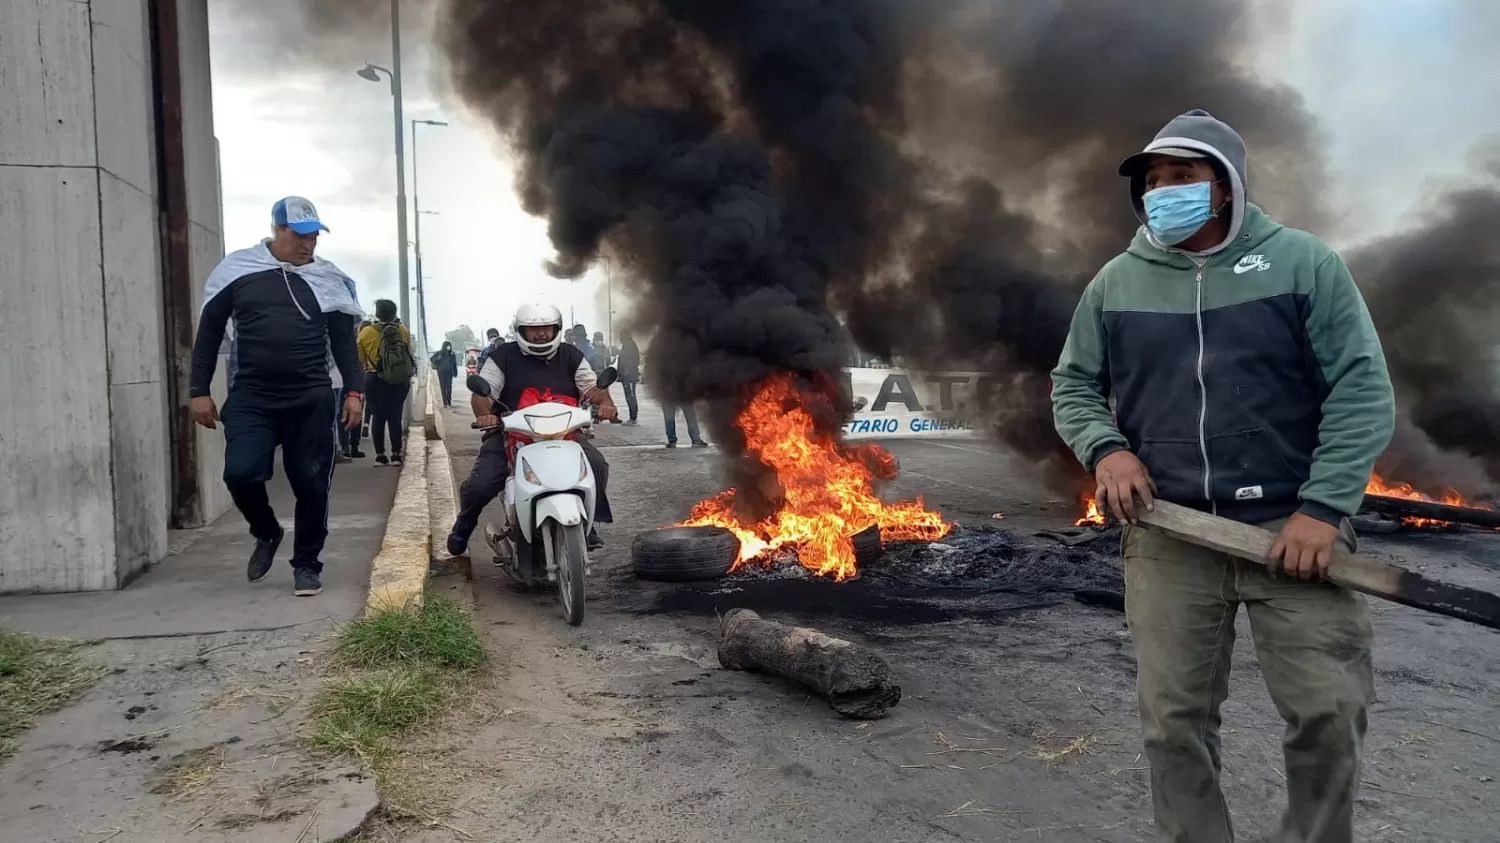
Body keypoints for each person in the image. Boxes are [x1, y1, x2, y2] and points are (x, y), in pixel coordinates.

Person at [1050, 109, 1395, 843]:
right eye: (1152, 180)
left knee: (1329, 710)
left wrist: (1325, 506)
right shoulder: (1116, 283)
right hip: (1170, 531)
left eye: (1183, 175)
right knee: (1173, 720)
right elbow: (1072, 384)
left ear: (1226, 186)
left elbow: (1361, 388)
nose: (1162, 191)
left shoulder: (1304, 265)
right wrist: (1106, 450)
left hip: (1290, 532)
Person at [189, 196, 364, 597]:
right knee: (239, 472)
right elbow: (210, 332)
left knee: (312, 483)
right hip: (253, 395)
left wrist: (354, 391)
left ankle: (307, 563)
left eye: (314, 237)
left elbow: (344, 344)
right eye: (300, 235)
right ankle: (266, 531)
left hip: (311, 396)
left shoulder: (327, 279)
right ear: (277, 230)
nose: (308, 245)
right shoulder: (238, 272)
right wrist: (198, 390)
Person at [447, 304, 619, 555]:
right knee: (481, 484)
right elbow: (484, 393)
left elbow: (592, 387)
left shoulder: (571, 356)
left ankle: (587, 524)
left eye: (546, 328)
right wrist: (484, 414)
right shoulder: (502, 356)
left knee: (596, 464)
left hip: (565, 433)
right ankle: (464, 524)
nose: (541, 334)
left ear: (556, 329)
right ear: (521, 331)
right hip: (510, 433)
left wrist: (605, 404)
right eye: (534, 329)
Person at [358, 300, 415, 466]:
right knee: (395, 416)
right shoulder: (402, 330)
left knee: (378, 416)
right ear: (394, 312)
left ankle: (380, 455)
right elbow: (408, 353)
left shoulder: (366, 332)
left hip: (374, 378)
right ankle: (396, 454)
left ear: (377, 313)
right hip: (398, 379)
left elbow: (360, 358)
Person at [617, 329, 641, 425]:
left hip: (630, 376)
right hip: (625, 376)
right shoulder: (626, 345)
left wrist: (627, 371)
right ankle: (632, 416)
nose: (620, 338)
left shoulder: (631, 346)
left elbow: (635, 361)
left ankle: (633, 417)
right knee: (628, 396)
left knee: (631, 395)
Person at [431, 341, 460, 408]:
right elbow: (432, 359)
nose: (448, 347)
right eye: (447, 346)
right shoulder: (439, 353)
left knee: (449, 386)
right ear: (444, 346)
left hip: (450, 372)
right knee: (443, 387)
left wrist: (455, 372)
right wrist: (437, 359)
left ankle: (449, 400)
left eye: (449, 345)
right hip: (441, 372)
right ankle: (445, 403)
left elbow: (454, 364)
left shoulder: (452, 354)